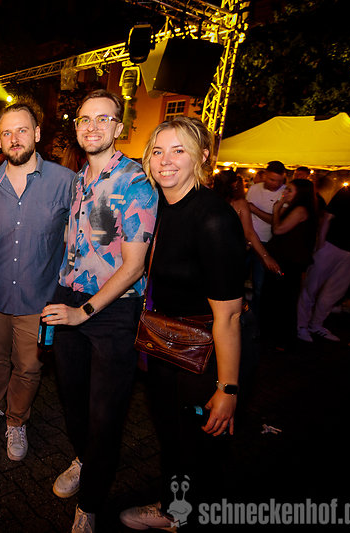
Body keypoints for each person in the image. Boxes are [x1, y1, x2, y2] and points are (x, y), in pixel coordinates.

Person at [120, 117, 245, 532]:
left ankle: (182, 515)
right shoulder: (160, 207)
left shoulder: (213, 218)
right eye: (157, 151)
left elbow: (229, 315)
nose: (165, 161)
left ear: (202, 156)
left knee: (196, 445)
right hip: (166, 344)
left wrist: (227, 388)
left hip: (204, 355)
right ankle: (174, 510)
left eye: (178, 151)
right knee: (172, 435)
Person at [41, 90, 158, 531]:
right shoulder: (79, 180)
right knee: (72, 400)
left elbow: (133, 267)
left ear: (118, 127)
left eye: (102, 119)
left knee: (105, 413)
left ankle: (89, 505)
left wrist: (83, 312)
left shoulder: (135, 181)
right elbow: (81, 243)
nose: (92, 127)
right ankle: (83, 458)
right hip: (69, 299)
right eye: (84, 120)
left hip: (111, 311)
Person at [0, 102, 75, 461]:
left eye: (22, 130)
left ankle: (17, 420)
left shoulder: (65, 182)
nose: (14, 138)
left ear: (37, 133)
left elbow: (77, 239)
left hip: (40, 298)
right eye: (7, 132)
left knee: (30, 367)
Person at [297, 176, 350, 342]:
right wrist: (321, 244)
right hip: (332, 245)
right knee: (311, 286)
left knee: (335, 291)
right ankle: (301, 325)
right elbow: (328, 216)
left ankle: (316, 324)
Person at [261, 179, 318, 347]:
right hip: (285, 259)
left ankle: (284, 339)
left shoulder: (300, 210)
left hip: (288, 261)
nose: (285, 193)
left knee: (284, 299)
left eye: (290, 190)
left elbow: (278, 229)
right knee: (278, 296)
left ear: (300, 194)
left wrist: (276, 209)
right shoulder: (295, 208)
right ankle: (274, 335)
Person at [212, 169, 282, 276]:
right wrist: (266, 256)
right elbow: (249, 232)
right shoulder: (239, 204)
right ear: (235, 184)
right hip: (229, 252)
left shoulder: (207, 200)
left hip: (209, 250)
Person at [246, 161, 286, 313]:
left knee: (259, 284)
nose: (275, 184)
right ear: (265, 175)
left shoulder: (285, 192)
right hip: (246, 241)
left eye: (279, 181)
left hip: (266, 243)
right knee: (236, 279)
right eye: (272, 179)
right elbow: (245, 212)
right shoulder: (254, 188)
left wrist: (254, 209)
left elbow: (276, 221)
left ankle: (256, 317)